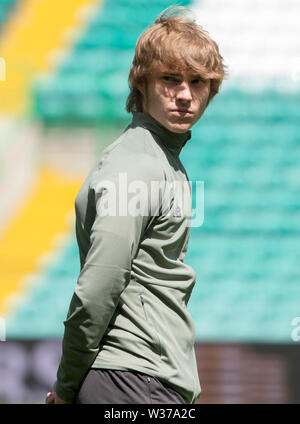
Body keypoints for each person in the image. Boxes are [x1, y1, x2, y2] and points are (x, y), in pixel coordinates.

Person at [46, 6, 226, 405]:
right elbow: (100, 282)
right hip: (133, 381)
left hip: (140, 379)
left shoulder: (160, 158)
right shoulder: (139, 163)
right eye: (169, 79)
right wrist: (66, 385)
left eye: (198, 82)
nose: (185, 94)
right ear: (140, 82)